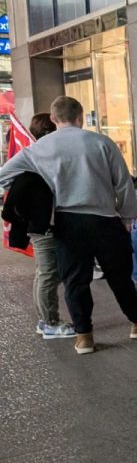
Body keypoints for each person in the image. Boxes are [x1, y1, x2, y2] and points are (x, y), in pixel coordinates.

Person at [0, 96, 137, 354]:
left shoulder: (39, 148)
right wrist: (126, 217)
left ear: (53, 119)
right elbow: (123, 183)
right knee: (120, 276)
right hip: (104, 219)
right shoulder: (101, 142)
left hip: (66, 222)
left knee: (75, 281)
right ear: (80, 117)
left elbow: (4, 175)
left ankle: (84, 336)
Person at [1, 112, 74, 339]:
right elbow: (3, 176)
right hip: (41, 223)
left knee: (47, 272)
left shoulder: (40, 154)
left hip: (43, 221)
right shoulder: (35, 155)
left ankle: (46, 321)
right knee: (48, 273)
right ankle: (50, 322)